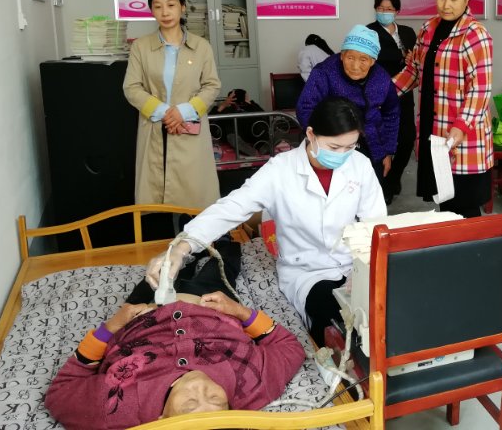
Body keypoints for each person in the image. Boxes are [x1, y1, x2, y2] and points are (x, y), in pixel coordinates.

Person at [144, 97, 386, 346]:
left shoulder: (360, 165)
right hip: (308, 272)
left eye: (350, 147)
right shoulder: (280, 171)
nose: (343, 155)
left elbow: (376, 223)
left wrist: (367, 269)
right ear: (311, 135)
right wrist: (181, 247)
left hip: (354, 264)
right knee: (338, 323)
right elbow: (232, 208)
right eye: (334, 147)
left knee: (384, 316)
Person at [45, 238, 305, 429]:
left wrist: (111, 327)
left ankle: (185, 258)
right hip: (209, 304)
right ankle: (217, 241)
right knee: (223, 262)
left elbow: (61, 391)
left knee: (158, 274)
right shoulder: (250, 385)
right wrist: (240, 311)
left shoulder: (116, 408)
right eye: (216, 399)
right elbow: (289, 348)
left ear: (163, 420)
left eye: (189, 405)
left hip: (142, 313)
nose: (200, 388)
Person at [393, 0, 493, 219]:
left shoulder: (475, 35)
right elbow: (413, 71)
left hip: (462, 133)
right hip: (434, 128)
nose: (446, 5)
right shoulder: (428, 28)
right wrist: (382, 93)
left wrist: (461, 125)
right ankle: (452, 242)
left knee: (465, 204)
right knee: (445, 200)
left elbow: (480, 90)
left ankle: (474, 244)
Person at [123, 0, 221, 210]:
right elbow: (132, 87)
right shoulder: (141, 47)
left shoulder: (202, 47)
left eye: (171, 5)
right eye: (158, 7)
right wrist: (167, 113)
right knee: (156, 199)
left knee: (194, 199)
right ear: (151, 10)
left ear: (182, 7)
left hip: (189, 128)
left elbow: (212, 85)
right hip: (155, 128)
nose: (165, 12)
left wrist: (183, 112)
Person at [296, 25, 399, 184]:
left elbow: (391, 113)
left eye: (363, 60)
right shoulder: (325, 72)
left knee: (370, 187)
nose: (356, 66)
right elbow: (305, 107)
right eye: (350, 58)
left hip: (373, 144)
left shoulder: (382, 78)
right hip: (335, 143)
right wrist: (324, 140)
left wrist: (387, 151)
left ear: (373, 61)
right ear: (342, 55)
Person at [365, 0, 416, 204]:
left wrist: (412, 58)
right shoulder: (369, 32)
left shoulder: (408, 32)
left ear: (397, 11)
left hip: (405, 95)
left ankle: (393, 178)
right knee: (381, 141)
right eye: (380, 8)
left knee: (407, 139)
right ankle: (383, 185)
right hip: (381, 96)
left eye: (388, 9)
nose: (384, 12)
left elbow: (416, 60)